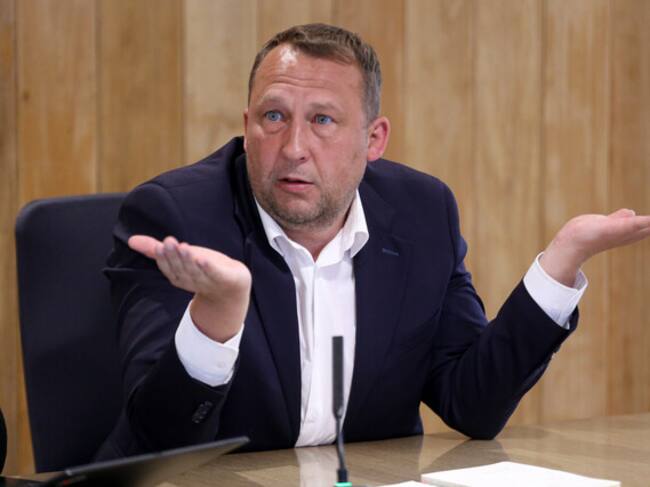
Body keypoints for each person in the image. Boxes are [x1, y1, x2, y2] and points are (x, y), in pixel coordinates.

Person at [96, 23, 650, 459]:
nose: (293, 147)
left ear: (374, 139)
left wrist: (561, 263)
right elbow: (160, 442)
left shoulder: (421, 213)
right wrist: (216, 316)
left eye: (323, 120)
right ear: (247, 126)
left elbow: (472, 404)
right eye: (274, 116)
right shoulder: (176, 218)